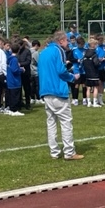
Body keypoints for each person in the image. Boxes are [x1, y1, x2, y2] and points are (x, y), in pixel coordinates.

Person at [38, 30, 83, 160]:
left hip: (45, 90)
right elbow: (60, 70)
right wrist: (72, 77)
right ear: (61, 40)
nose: (68, 43)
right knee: (66, 122)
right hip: (57, 90)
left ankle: (54, 152)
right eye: (66, 40)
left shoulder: (44, 52)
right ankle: (69, 152)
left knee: (51, 122)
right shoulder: (58, 51)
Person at [5, 42, 24, 116]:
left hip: (10, 80)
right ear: (18, 50)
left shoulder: (9, 58)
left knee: (11, 95)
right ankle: (14, 110)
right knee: (15, 96)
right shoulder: (14, 59)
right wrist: (21, 70)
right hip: (15, 81)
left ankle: (10, 108)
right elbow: (15, 70)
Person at [82, 38, 101, 107]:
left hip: (87, 73)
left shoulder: (85, 53)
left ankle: (89, 102)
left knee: (88, 88)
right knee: (96, 87)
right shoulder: (94, 54)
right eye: (95, 44)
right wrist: (99, 62)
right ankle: (95, 102)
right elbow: (96, 63)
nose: (96, 46)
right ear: (93, 45)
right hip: (94, 73)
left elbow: (83, 62)